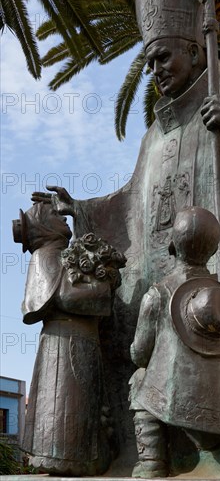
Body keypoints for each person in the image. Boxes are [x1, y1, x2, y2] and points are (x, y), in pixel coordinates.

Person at [32, 0, 220, 476]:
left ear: (195, 49)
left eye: (162, 57)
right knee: (125, 333)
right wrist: (82, 210)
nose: (155, 70)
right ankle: (130, 452)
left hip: (217, 276)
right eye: (148, 61)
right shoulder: (156, 133)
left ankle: (215, 452)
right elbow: (132, 200)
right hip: (157, 274)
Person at [12, 203, 125, 476]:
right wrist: (102, 289)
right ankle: (68, 459)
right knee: (66, 401)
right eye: (54, 215)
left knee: (84, 400)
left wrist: (77, 210)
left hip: (81, 340)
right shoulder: (45, 256)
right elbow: (66, 296)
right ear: (43, 227)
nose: (62, 218)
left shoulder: (61, 254)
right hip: (63, 343)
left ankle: (85, 455)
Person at [129, 207, 220, 478]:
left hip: (174, 398)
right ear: (212, 251)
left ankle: (152, 465)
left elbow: (140, 354)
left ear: (172, 246)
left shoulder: (157, 294)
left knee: (138, 382)